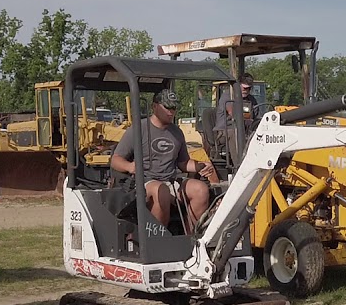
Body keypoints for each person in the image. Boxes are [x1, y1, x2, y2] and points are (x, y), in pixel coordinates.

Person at [111, 87, 217, 230]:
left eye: (174, 108)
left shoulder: (177, 132)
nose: (171, 112)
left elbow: (183, 163)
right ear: (154, 106)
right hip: (144, 183)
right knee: (161, 190)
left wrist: (200, 166)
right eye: (167, 107)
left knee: (201, 189)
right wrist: (130, 166)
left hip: (170, 181)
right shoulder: (138, 129)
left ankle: (190, 239)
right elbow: (116, 159)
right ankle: (157, 240)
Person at [212, 73, 259, 154]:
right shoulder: (228, 96)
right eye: (244, 88)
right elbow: (233, 114)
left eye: (249, 88)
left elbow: (256, 117)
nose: (246, 90)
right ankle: (239, 163)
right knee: (235, 133)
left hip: (246, 130)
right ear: (238, 85)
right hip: (225, 130)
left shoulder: (252, 99)